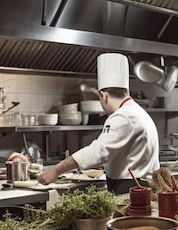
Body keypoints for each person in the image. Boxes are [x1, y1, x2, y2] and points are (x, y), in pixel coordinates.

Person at [37, 53, 160, 194]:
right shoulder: (137, 111)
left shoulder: (123, 116)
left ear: (103, 95)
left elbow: (97, 153)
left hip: (130, 189)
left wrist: (56, 170)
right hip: (140, 186)